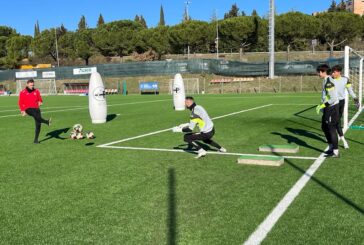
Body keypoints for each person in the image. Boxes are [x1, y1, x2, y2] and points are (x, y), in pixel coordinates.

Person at [331, 65, 359, 149]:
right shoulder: (330, 79)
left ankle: (336, 137)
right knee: (336, 122)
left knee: (337, 121)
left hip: (341, 102)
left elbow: (350, 90)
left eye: (334, 72)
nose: (332, 73)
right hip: (332, 102)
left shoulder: (345, 79)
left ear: (339, 72)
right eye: (332, 72)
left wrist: (355, 98)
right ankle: (343, 140)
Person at [316, 64, 340, 157]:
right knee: (324, 127)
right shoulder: (325, 80)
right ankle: (330, 148)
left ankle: (336, 152)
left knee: (331, 129)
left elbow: (333, 98)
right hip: (327, 107)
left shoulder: (329, 82)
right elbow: (326, 96)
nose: (318, 74)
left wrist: (323, 105)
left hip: (332, 108)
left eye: (319, 72)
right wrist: (322, 105)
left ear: (323, 72)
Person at [18, 79, 51, 144]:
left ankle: (36, 140)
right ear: (27, 84)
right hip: (28, 109)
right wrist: (22, 110)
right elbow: (20, 102)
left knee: (38, 124)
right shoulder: (22, 92)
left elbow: (40, 99)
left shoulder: (36, 91)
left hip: (37, 109)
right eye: (30, 85)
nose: (32, 86)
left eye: (33, 85)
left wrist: (40, 102)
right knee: (35, 115)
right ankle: (46, 122)